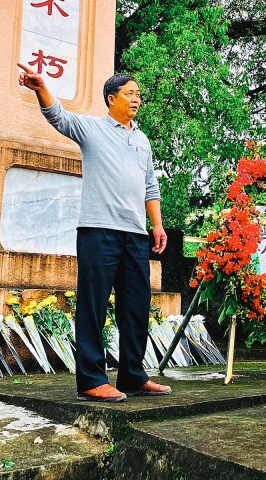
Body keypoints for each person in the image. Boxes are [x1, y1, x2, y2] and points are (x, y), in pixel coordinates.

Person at [17, 65, 170, 403]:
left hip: (135, 234)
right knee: (93, 306)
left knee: (136, 307)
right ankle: (91, 379)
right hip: (98, 230)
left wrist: (156, 224)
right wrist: (41, 88)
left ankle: (132, 375)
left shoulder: (141, 140)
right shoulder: (92, 129)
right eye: (130, 93)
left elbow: (150, 186)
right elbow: (59, 117)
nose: (136, 99)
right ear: (111, 98)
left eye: (138, 94)